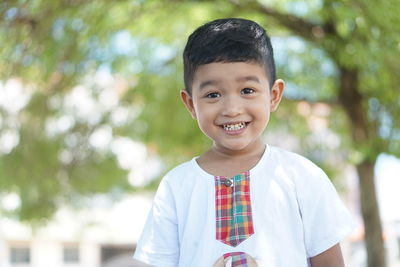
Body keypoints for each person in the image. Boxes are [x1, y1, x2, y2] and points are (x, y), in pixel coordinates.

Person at [133, 18, 354, 267]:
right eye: (213, 94)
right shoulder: (176, 186)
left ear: (273, 95)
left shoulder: (302, 176)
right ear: (191, 104)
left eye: (247, 90)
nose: (232, 109)